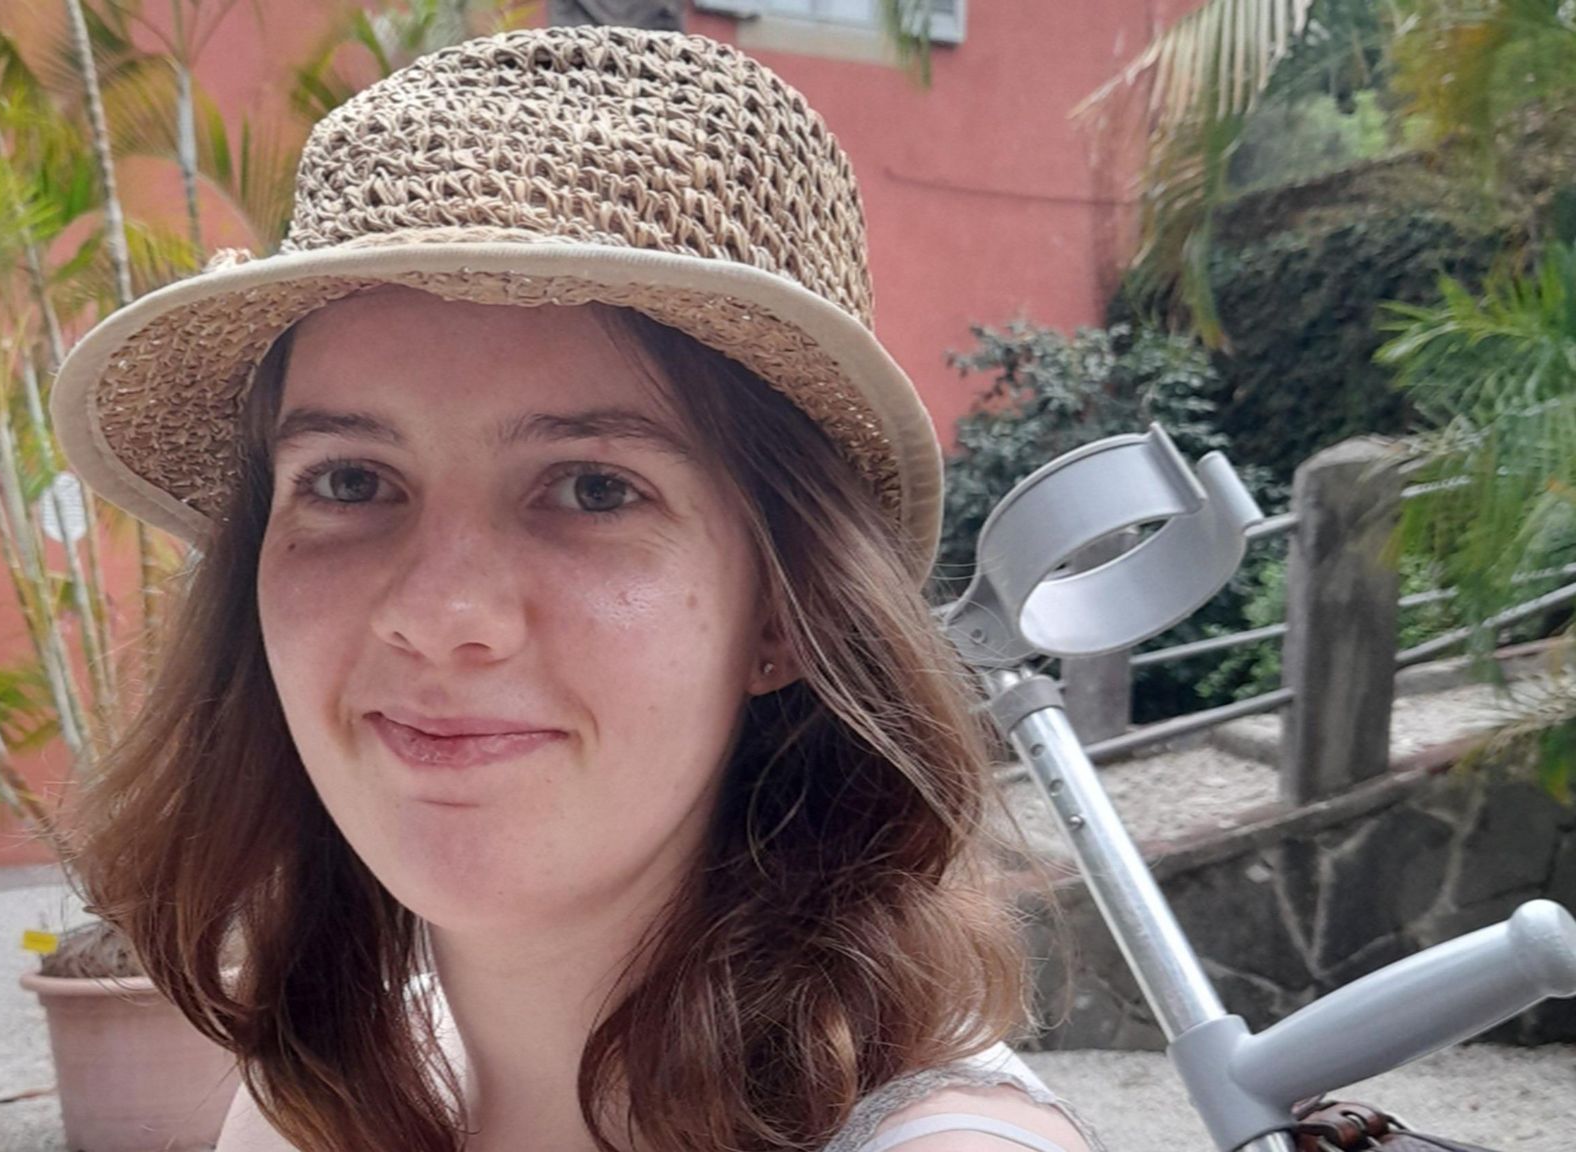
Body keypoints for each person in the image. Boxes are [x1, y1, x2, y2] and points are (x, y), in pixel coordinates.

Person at [53, 24, 1108, 1152]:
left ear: (782, 615)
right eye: (351, 479)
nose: (437, 611)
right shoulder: (320, 1104)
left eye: (595, 489)